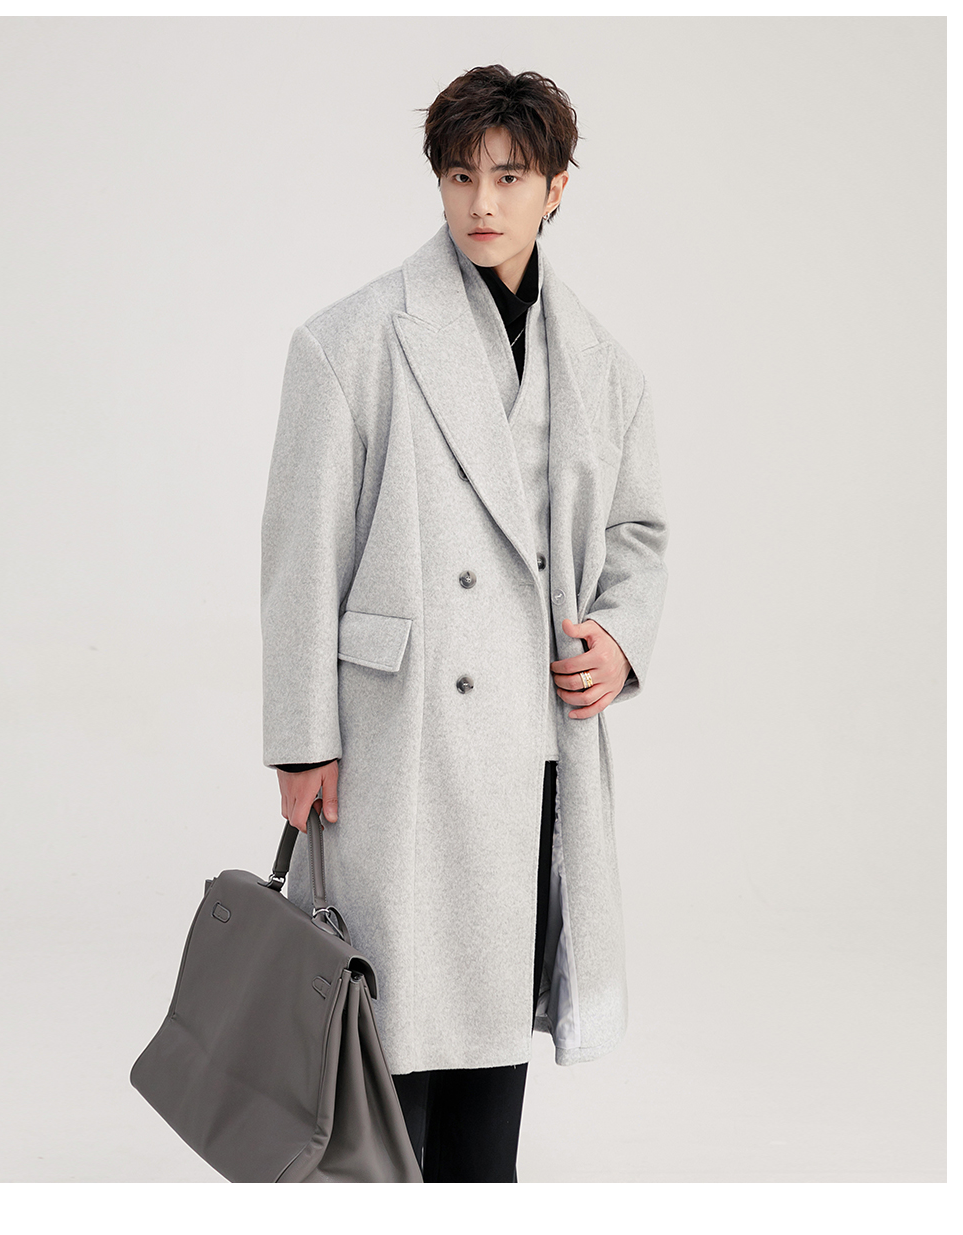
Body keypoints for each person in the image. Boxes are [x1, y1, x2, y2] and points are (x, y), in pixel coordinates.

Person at [261, 64, 668, 1182]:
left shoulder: (603, 367)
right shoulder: (350, 342)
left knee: (491, 1035)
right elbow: (300, 557)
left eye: (510, 176)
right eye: (459, 176)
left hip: (530, 746)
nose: (482, 203)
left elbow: (639, 531)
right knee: (381, 1040)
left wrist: (620, 636)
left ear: (556, 188)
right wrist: (300, 739)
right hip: (396, 742)